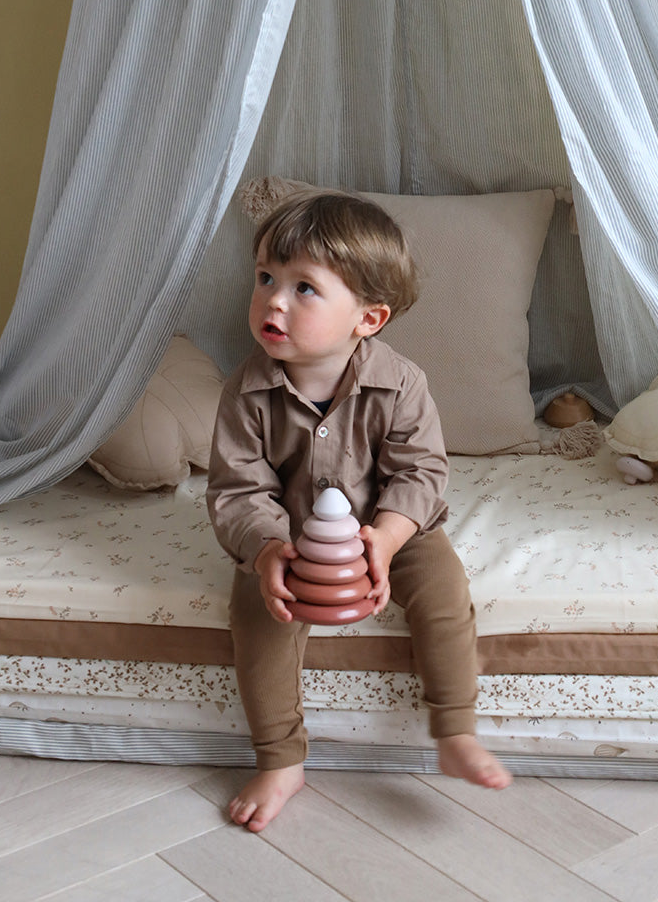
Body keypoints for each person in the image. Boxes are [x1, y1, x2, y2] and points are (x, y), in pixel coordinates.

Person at [207, 192, 511, 832]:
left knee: (446, 590)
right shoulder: (246, 391)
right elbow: (237, 489)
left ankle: (454, 725)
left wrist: (389, 538)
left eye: (304, 288)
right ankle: (280, 756)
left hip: (391, 527)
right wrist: (267, 553)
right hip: (290, 534)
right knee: (259, 615)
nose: (274, 300)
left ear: (368, 319)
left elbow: (423, 472)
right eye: (265, 278)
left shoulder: (401, 384)